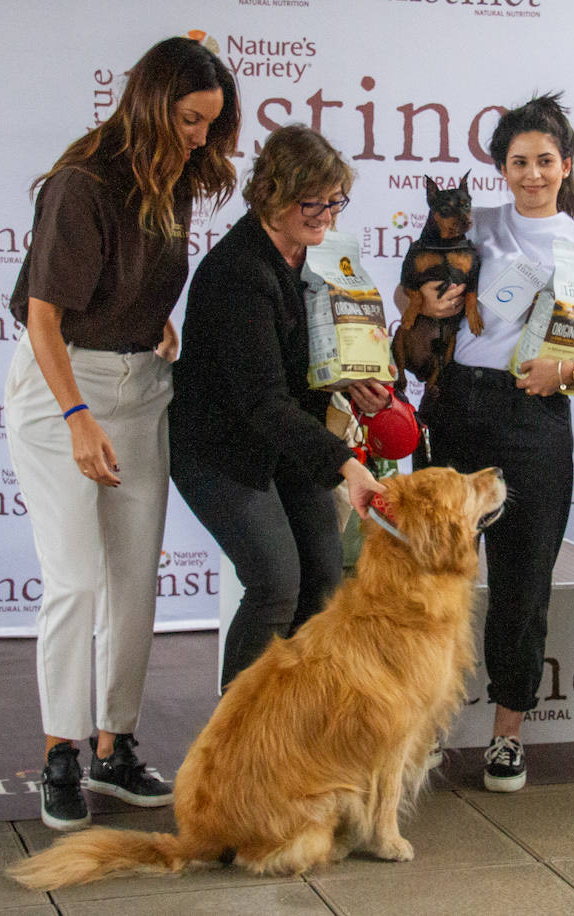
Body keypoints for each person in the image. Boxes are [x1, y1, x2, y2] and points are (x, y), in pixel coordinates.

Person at [4, 36, 240, 831]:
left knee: (134, 579)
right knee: (75, 580)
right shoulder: (82, 184)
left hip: (140, 388)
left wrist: (154, 324)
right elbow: (45, 318)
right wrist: (76, 418)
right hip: (61, 387)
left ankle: (114, 744)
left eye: (211, 123)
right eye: (188, 119)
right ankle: (60, 752)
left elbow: (126, 281)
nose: (200, 137)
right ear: (148, 103)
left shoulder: (171, 176)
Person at [407, 94, 574, 792]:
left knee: (522, 583)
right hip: (455, 407)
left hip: (536, 416)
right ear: (501, 168)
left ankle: (508, 735)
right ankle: (422, 727)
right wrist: (426, 304)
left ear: (565, 165)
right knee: (434, 578)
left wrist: (572, 368)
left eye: (545, 160)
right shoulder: (472, 227)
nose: (533, 173)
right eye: (519, 161)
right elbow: (412, 294)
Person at [168, 124, 386, 691]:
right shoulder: (237, 272)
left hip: (289, 445)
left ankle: (290, 728)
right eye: (311, 201)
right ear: (271, 193)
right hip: (222, 449)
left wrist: (363, 382)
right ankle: (235, 743)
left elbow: (325, 357)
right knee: (274, 582)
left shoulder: (318, 260)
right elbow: (262, 402)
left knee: (322, 582)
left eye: (336, 200)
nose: (327, 215)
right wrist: (346, 463)